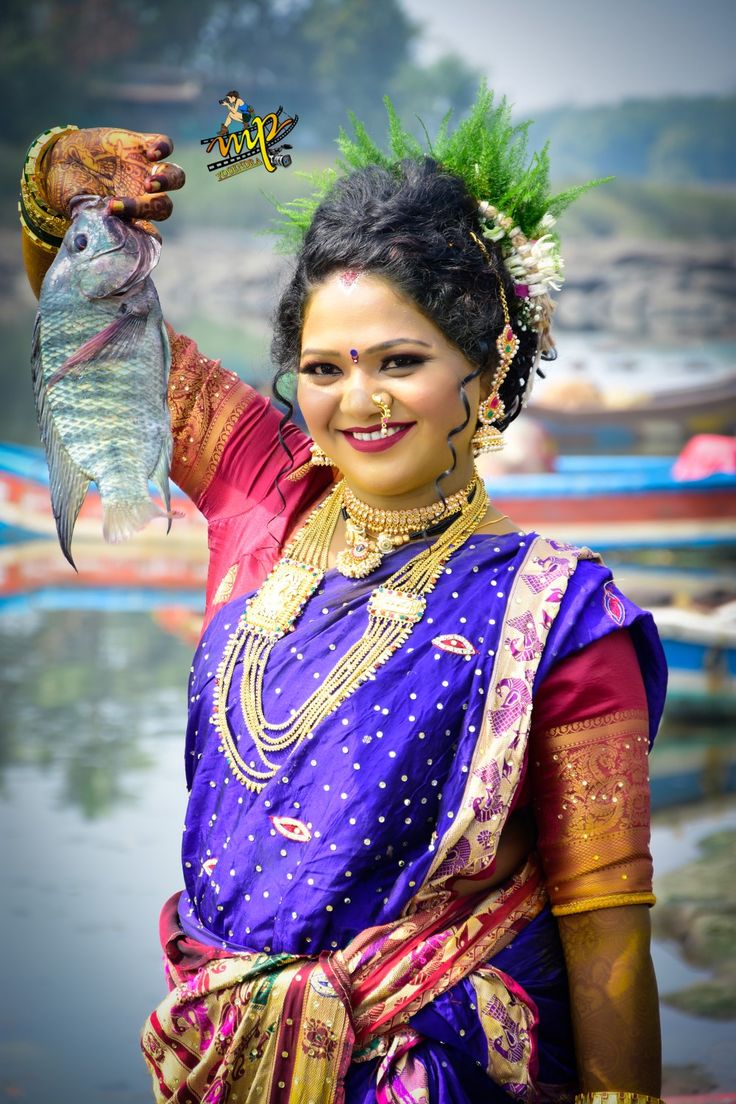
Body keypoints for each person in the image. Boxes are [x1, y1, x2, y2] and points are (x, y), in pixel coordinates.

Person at [20, 96, 667, 1103]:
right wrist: (60, 195)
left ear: (487, 366)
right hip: (219, 1054)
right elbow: (96, 326)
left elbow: (608, 925)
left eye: (400, 362)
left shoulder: (564, 621)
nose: (358, 401)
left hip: (431, 1072)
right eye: (324, 368)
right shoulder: (260, 488)